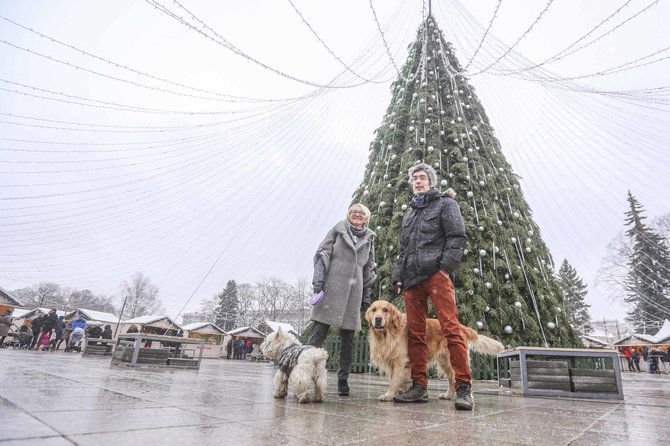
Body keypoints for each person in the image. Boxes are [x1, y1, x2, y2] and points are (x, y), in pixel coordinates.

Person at [391, 163, 472, 410]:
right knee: (416, 334)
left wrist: (445, 268)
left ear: (431, 181)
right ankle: (419, 387)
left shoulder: (446, 204)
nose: (418, 181)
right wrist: (398, 277)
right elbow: (404, 250)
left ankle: (464, 387)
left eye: (422, 177)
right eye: (414, 178)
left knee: (451, 329)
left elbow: (457, 237)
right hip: (412, 280)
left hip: (436, 276)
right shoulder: (410, 214)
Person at [307, 203, 377, 396]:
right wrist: (318, 284)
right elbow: (322, 255)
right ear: (348, 215)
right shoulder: (337, 231)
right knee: (318, 334)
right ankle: (304, 373)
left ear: (366, 218)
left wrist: (366, 298)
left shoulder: (370, 238)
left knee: (348, 340)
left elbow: (368, 270)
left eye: (361, 213)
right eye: (353, 212)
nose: (357, 214)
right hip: (331, 288)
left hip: (354, 293)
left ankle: (343, 380)